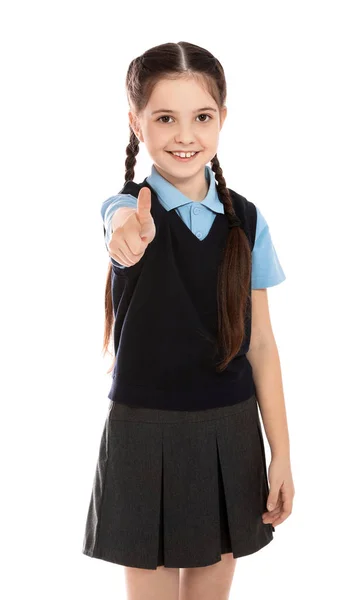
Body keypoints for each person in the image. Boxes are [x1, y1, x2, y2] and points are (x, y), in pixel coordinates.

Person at [82, 41, 295, 600]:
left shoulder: (245, 219)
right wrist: (126, 233)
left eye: (201, 117)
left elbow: (263, 347)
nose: (184, 135)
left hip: (229, 431)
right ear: (136, 122)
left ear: (222, 118)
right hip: (142, 431)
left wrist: (282, 455)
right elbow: (119, 229)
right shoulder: (128, 208)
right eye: (164, 118)